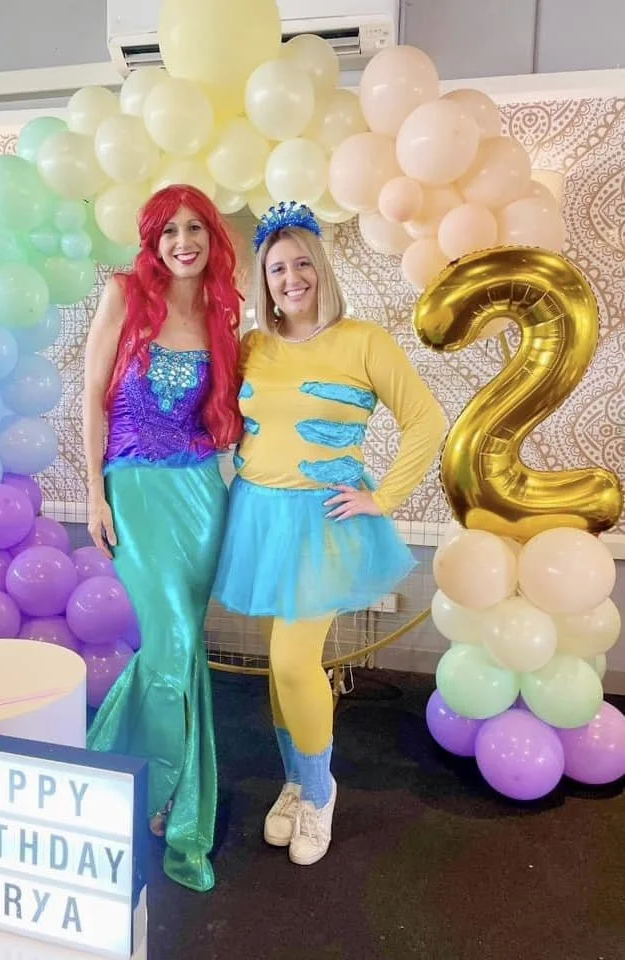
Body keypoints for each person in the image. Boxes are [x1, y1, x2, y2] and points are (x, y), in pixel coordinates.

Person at [213, 201, 447, 867]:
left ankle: (318, 791)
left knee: (292, 661)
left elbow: (425, 422)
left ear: (322, 266)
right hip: (257, 515)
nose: (292, 277)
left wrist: (385, 497)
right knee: (281, 667)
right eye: (278, 267)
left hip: (322, 520)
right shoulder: (253, 346)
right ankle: (293, 781)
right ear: (265, 278)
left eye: (302, 262)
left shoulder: (365, 340)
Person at [82, 184, 242, 892]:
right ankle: (147, 791)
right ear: (152, 241)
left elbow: (230, 413)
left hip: (203, 493)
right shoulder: (125, 294)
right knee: (171, 639)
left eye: (196, 229)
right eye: (170, 230)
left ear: (212, 238)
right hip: (137, 491)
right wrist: (93, 493)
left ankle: (156, 787)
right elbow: (92, 396)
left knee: (183, 650)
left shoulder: (221, 310)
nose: (184, 241)